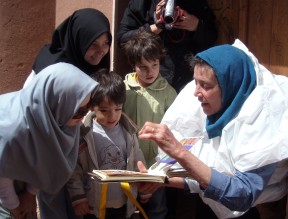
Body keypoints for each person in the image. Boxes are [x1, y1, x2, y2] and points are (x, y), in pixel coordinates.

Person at [136, 39, 288, 218]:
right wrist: (163, 180)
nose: (196, 93)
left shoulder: (262, 119)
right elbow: (209, 173)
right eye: (196, 83)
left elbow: (242, 193)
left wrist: (179, 151)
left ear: (230, 85)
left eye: (206, 85)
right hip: (210, 204)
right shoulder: (214, 106)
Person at [0, 62, 98, 219]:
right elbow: (3, 173)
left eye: (87, 109)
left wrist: (30, 193)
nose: (82, 120)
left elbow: (46, 163)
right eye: (79, 111)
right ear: (56, 103)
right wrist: (15, 207)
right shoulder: (12, 131)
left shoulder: (54, 121)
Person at [66, 70, 146, 219]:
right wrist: (78, 196)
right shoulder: (84, 134)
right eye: (104, 110)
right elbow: (74, 168)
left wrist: (144, 186)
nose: (112, 116)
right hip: (94, 206)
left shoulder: (129, 131)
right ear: (91, 106)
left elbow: (138, 161)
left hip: (125, 203)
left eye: (118, 109)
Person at [122, 28, 177, 219]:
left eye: (155, 65)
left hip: (156, 165)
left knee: (157, 209)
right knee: (125, 207)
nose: (150, 71)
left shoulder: (168, 93)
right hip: (126, 164)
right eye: (143, 67)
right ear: (133, 65)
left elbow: (176, 130)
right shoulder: (123, 90)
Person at [117, 0, 218, 93]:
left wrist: (196, 24)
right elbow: (123, 40)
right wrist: (156, 27)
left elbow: (212, 37)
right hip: (151, 80)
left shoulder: (194, 3)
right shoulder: (142, 3)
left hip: (188, 79)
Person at [24, 8, 111, 86]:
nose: (100, 51)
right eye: (93, 44)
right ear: (77, 41)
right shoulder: (50, 72)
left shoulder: (99, 69)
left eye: (106, 43)